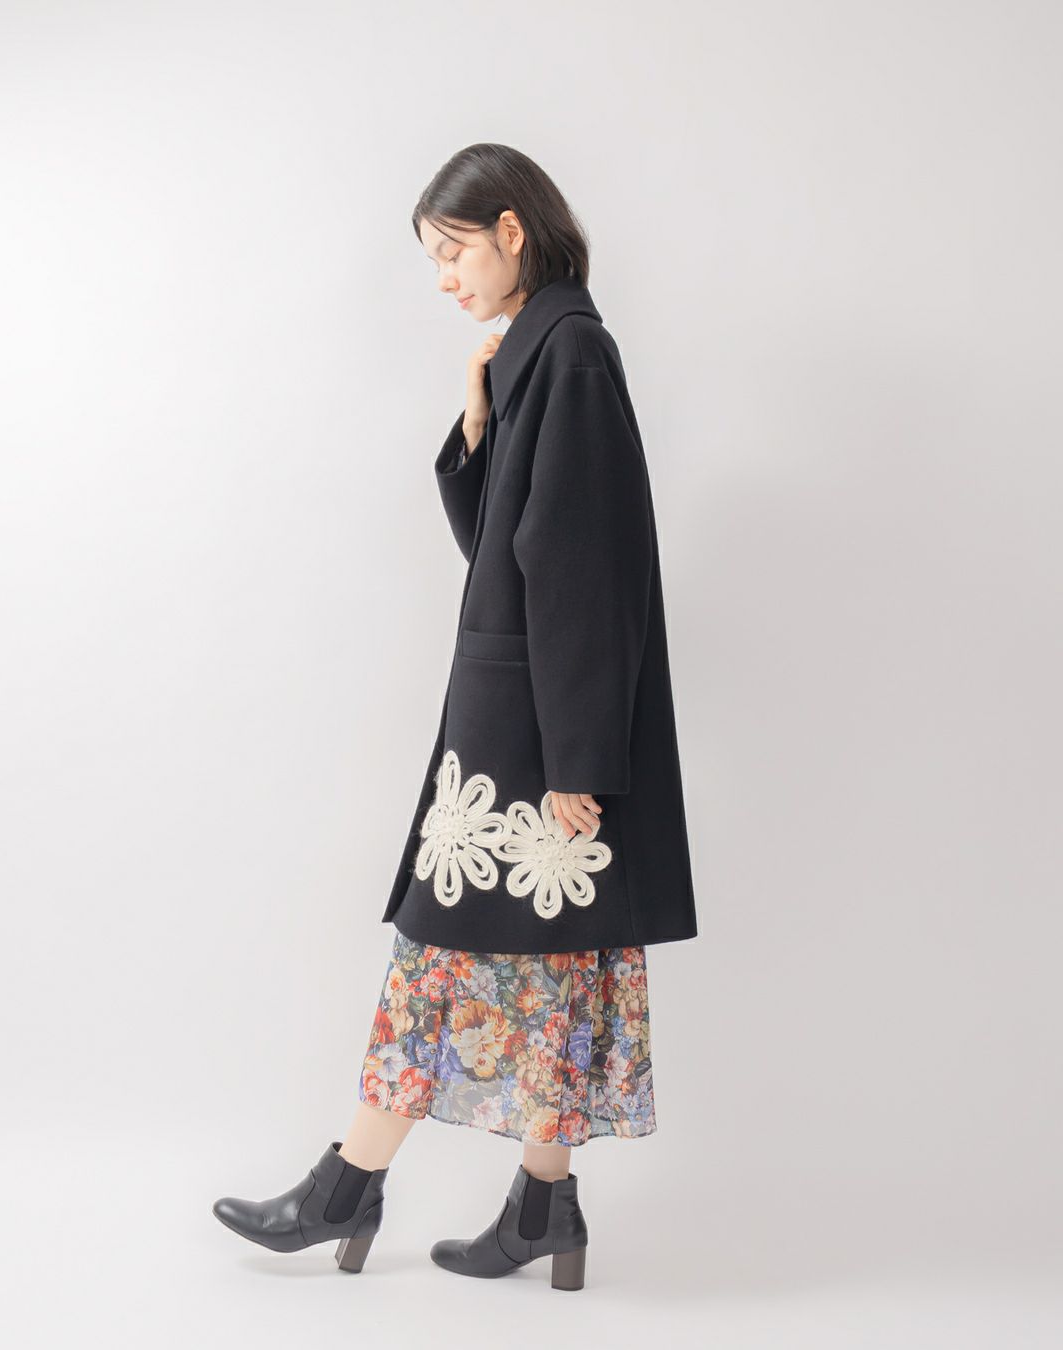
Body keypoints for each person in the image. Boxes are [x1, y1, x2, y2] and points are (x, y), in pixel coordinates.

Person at [212, 143, 698, 1292]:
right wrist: (477, 419)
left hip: (533, 735)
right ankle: (543, 1206)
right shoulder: (538, 356)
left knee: (443, 955)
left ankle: (346, 1185)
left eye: (453, 250)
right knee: (556, 961)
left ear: (511, 230)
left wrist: (579, 759)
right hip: (521, 720)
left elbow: (583, 570)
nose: (444, 278)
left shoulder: (571, 354)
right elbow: (501, 547)